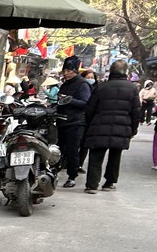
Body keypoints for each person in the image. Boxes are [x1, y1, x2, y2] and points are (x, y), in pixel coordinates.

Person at [82, 59, 141, 194]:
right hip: (122, 126)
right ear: (125, 72)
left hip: (99, 125)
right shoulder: (132, 88)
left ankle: (92, 185)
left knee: (96, 155)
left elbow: (90, 108)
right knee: (115, 156)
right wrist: (133, 128)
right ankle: (109, 183)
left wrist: (90, 124)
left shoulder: (101, 87)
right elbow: (136, 111)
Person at [55, 57, 92, 188]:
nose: (65, 73)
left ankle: (72, 176)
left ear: (75, 71)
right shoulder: (65, 84)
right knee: (59, 149)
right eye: (64, 70)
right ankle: (54, 172)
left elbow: (86, 103)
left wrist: (70, 100)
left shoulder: (82, 84)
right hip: (62, 120)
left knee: (72, 151)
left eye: (68, 70)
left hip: (75, 122)